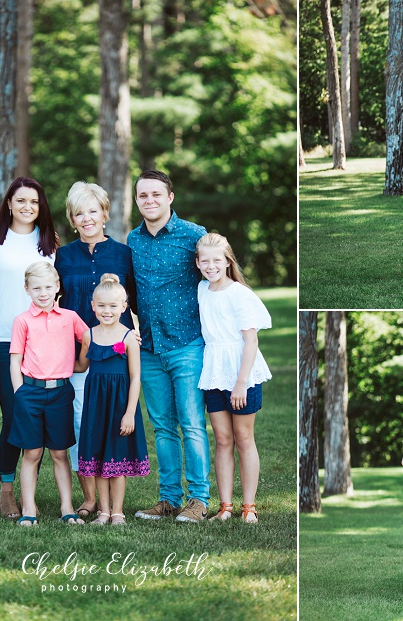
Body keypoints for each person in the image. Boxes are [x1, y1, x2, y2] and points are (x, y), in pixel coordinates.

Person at [128, 169, 210, 522]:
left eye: (156, 194)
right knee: (162, 427)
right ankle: (168, 499)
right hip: (149, 348)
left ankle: (199, 500)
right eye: (143, 195)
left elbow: (221, 275)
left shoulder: (195, 235)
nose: (150, 201)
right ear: (136, 201)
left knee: (192, 423)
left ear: (170, 197)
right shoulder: (132, 240)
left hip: (188, 344)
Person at [54, 181, 136, 519]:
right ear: (72, 219)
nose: (86, 218)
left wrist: (136, 335)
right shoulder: (63, 256)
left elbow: (134, 302)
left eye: (92, 210)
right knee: (79, 422)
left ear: (104, 213)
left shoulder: (123, 254)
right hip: (76, 356)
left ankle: (111, 503)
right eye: (79, 213)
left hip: (114, 356)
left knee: (109, 423)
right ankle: (89, 498)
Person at [0, 177, 58, 520]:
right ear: (9, 203)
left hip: (43, 342)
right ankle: (7, 491)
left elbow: (58, 289)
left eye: (34, 201)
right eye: (21, 200)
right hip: (3, 338)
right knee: (15, 416)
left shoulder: (50, 242)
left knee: (37, 420)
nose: (28, 207)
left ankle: (28, 493)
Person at [196, 233, 272, 523]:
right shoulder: (202, 289)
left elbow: (250, 341)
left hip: (242, 372)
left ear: (228, 262)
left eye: (217, 260)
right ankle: (225, 506)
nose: (211, 266)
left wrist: (241, 383)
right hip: (214, 370)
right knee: (223, 439)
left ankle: (249, 506)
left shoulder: (239, 293)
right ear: (198, 263)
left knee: (243, 438)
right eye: (205, 260)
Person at [8, 262, 89, 526]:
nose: (43, 293)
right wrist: (19, 392)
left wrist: (81, 363)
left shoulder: (70, 317)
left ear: (57, 287)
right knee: (31, 453)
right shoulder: (22, 321)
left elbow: (88, 338)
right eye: (36, 288)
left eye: (48, 287)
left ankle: (67, 507)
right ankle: (29, 508)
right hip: (29, 392)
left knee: (59, 453)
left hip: (60, 393)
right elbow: (15, 360)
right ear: (27, 289)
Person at [75, 275, 149, 526]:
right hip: (96, 407)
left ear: (124, 307)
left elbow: (136, 376)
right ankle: (103, 511)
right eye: (102, 306)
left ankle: (117, 511)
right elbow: (80, 365)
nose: (107, 311)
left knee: (117, 459)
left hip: (119, 406)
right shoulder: (88, 335)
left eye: (113, 306)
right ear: (93, 305)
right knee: (97, 459)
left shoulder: (129, 337)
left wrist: (129, 413)